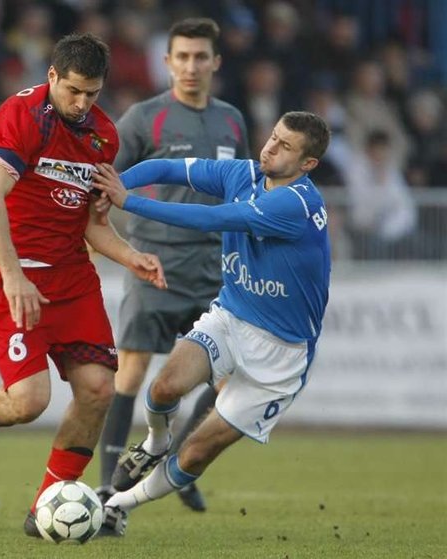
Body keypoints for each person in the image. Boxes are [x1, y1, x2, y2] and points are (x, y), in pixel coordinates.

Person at [0, 33, 166, 538]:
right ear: (51, 78)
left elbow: (92, 224)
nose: (81, 103)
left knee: (98, 389)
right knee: (27, 402)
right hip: (16, 274)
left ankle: (48, 503)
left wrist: (133, 258)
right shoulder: (22, 116)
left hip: (72, 278)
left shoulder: (103, 137)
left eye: (91, 93)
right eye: (72, 90)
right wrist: (13, 274)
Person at [91, 111, 332, 535]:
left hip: (281, 355)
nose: (270, 148)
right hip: (231, 316)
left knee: (198, 452)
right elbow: (167, 167)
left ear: (308, 164)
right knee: (163, 387)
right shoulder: (242, 173)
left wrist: (127, 201)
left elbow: (212, 219)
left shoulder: (295, 204)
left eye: (285, 146)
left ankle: (119, 503)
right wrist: (118, 183)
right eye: (272, 136)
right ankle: (154, 441)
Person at [97, 17, 249, 512]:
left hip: (214, 267)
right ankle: (108, 484)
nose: (191, 66)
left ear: (215, 62)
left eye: (200, 57)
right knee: (132, 370)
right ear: (166, 62)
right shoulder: (145, 117)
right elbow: (104, 175)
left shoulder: (232, 120)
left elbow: (241, 192)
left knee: (227, 381)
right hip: (156, 263)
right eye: (181, 57)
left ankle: (178, 464)